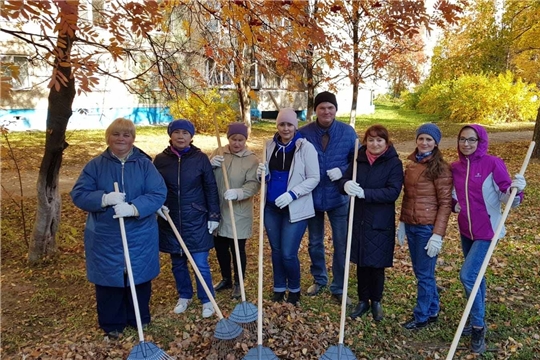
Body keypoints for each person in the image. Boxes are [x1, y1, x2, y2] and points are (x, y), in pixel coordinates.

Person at [70, 118, 167, 338]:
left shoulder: (144, 165)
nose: (121, 139)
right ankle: (112, 324)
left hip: (140, 232)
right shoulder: (95, 165)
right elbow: (79, 194)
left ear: (133, 139)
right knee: (109, 278)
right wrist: (104, 199)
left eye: (126, 135)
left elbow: (158, 193)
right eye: (116, 134)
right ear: (108, 137)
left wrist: (134, 208)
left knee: (139, 275)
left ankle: (138, 318)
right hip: (106, 234)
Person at [451, 124, 526, 354]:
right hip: (466, 231)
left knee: (468, 275)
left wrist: (517, 190)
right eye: (463, 139)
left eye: (472, 140)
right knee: (477, 277)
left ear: (480, 141)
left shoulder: (493, 163)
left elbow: (507, 196)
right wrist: (456, 204)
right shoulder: (455, 167)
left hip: (488, 231)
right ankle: (474, 316)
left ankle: (477, 327)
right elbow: (456, 193)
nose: (466, 144)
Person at [153, 119, 221, 318]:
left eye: (185, 133)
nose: (181, 136)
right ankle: (184, 295)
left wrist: (213, 215)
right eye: (177, 132)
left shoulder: (200, 159)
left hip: (196, 218)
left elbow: (210, 187)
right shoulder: (160, 160)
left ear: (191, 137)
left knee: (200, 262)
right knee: (178, 262)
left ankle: (207, 298)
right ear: (170, 135)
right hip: (170, 217)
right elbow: (154, 187)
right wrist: (157, 205)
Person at [299, 91, 358, 304]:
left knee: (341, 243)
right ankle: (319, 278)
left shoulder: (348, 133)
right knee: (315, 242)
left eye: (330, 108)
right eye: (322, 107)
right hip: (312, 197)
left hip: (338, 197)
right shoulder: (303, 133)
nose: (326, 111)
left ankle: (339, 286)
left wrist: (343, 170)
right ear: (316, 110)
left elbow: (357, 161)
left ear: (335, 110)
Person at [339, 124, 403, 321]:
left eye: (379, 140)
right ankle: (362, 300)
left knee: (376, 264)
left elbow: (393, 192)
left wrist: (365, 193)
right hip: (359, 218)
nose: (374, 144)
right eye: (371, 139)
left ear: (386, 142)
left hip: (380, 220)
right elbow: (345, 181)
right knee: (362, 262)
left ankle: (376, 301)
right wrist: (345, 184)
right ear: (365, 141)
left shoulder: (393, 163)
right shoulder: (359, 160)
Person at [259, 108, 320, 306]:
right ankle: (279, 287)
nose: (285, 128)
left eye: (289, 124)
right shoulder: (269, 146)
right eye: (282, 124)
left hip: (296, 208)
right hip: (271, 208)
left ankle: (294, 288)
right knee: (275, 251)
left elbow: (314, 178)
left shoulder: (305, 147)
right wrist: (262, 175)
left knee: (287, 252)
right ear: (277, 125)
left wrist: (292, 194)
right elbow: (265, 178)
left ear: (295, 126)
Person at [397, 123, 453, 330]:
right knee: (423, 272)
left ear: (436, 143)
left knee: (424, 275)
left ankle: (421, 316)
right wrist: (402, 222)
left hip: (426, 228)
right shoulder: (411, 165)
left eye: (429, 139)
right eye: (421, 138)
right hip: (411, 224)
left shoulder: (440, 168)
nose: (424, 142)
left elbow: (445, 204)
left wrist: (437, 235)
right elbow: (408, 196)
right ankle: (433, 309)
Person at [209, 122, 260, 299]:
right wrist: (210, 164)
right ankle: (226, 279)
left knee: (237, 249)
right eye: (233, 139)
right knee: (220, 248)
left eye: (240, 140)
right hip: (219, 209)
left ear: (245, 140)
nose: (237, 143)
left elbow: (253, 184)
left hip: (239, 211)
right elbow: (206, 177)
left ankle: (239, 283)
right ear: (228, 138)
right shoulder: (219, 153)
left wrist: (239, 193)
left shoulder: (251, 159)